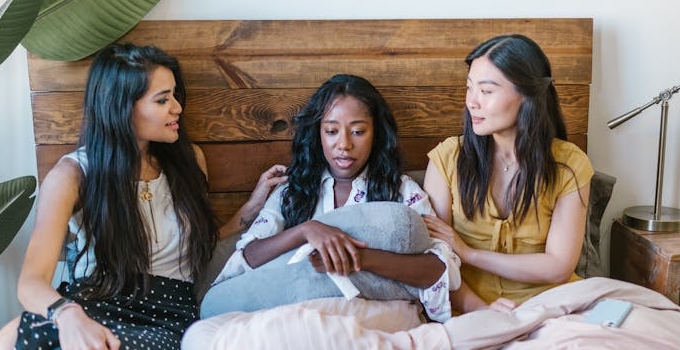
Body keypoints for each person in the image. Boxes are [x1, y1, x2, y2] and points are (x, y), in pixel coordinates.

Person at [0, 43, 286, 350]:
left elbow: (193, 248)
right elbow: (30, 282)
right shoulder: (72, 175)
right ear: (122, 107)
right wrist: (68, 313)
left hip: (168, 315)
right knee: (20, 336)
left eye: (175, 95)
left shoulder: (190, 161)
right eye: (163, 100)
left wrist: (249, 211)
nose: (177, 107)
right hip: (92, 305)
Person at [203, 74, 463, 322]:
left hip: (375, 318)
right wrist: (307, 230)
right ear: (318, 134)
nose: (344, 144)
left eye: (358, 132)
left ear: (377, 134)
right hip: (299, 315)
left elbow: (440, 270)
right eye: (331, 131)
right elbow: (248, 256)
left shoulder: (402, 191)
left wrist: (359, 259)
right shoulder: (293, 191)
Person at [422, 34, 594, 313]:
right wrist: (482, 311)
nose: (472, 102)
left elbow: (559, 267)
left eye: (486, 91)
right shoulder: (447, 159)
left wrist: (469, 253)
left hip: (552, 307)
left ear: (527, 95)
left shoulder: (569, 165)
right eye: (469, 88)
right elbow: (435, 260)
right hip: (468, 309)